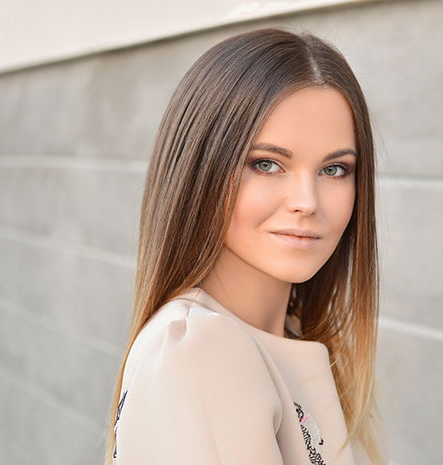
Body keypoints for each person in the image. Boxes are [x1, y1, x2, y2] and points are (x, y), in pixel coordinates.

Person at [101, 27, 387, 465]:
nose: (307, 203)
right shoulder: (199, 348)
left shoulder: (286, 338)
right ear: (201, 169)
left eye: (334, 170)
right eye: (267, 164)